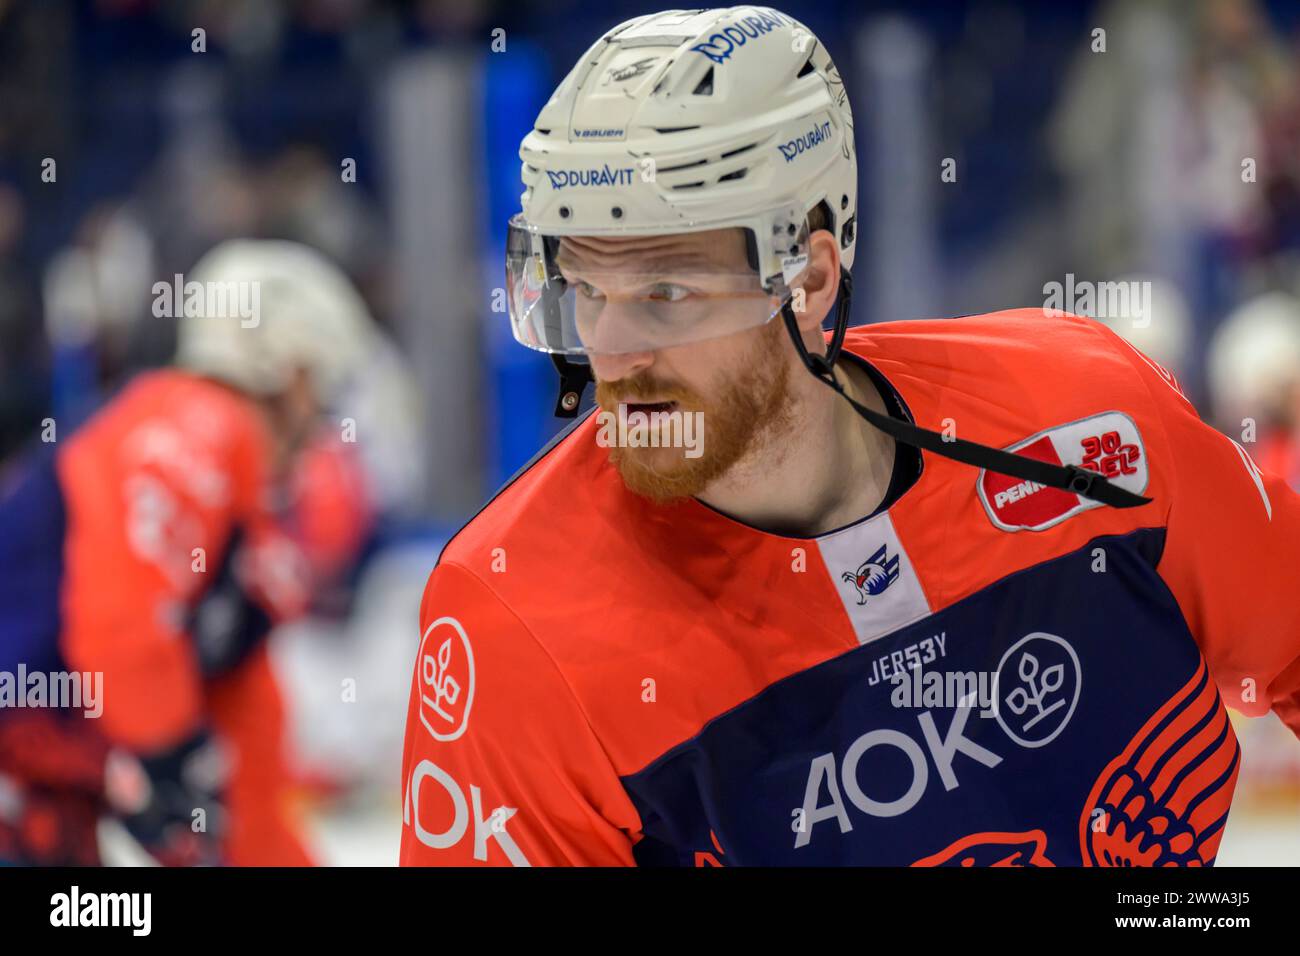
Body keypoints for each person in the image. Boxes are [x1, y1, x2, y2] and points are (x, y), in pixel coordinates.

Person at [399, 6, 1300, 867]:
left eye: (666, 294)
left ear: (812, 277)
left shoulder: (1086, 420)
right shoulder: (516, 618)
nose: (615, 355)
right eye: (584, 291)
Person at [0, 239, 376, 865]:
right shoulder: (188, 430)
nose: (320, 431)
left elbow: (246, 767)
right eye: (323, 396)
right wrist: (167, 761)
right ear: (296, 375)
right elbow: (123, 628)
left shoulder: (235, 529)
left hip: (46, 787)